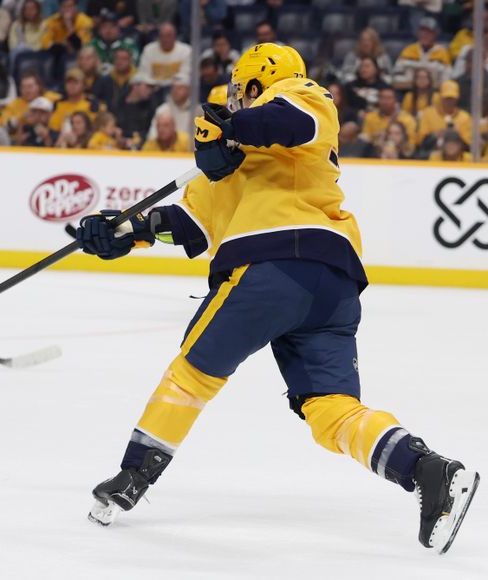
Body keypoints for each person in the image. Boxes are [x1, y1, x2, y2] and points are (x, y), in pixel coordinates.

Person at [75, 43, 479, 553]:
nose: (235, 103)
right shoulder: (237, 158)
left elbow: (291, 122)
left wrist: (231, 127)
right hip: (330, 285)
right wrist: (126, 232)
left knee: (192, 373)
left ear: (253, 84)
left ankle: (133, 477)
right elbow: (190, 223)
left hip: (270, 267)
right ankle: (426, 470)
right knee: (330, 410)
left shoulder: (299, 95)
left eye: (239, 95)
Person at [393, 17, 451, 90]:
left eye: (428, 32)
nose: (425, 35)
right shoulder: (408, 50)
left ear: (434, 34)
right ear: (418, 33)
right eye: (422, 32)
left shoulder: (442, 53)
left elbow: (447, 79)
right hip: (409, 90)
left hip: (435, 91)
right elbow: (396, 75)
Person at [138, 22, 191, 87]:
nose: (165, 39)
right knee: (140, 86)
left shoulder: (186, 50)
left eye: (168, 36)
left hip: (175, 86)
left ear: (174, 36)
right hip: (152, 86)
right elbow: (144, 73)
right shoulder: (148, 49)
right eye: (162, 36)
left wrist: (167, 84)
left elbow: (184, 75)